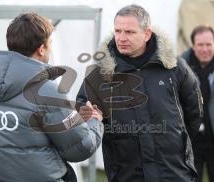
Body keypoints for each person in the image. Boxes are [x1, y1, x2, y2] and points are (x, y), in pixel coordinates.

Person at [76, 4, 203, 182]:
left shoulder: (174, 67)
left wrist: (175, 140)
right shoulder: (100, 74)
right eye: (118, 31)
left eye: (129, 32)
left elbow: (194, 112)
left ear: (147, 34)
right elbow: (84, 111)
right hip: (127, 174)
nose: (121, 38)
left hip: (174, 173)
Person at [0, 13, 103, 182]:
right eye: (50, 44)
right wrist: (95, 121)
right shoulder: (49, 92)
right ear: (41, 49)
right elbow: (79, 148)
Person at [181, 25, 214, 182]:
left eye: (209, 44)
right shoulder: (181, 68)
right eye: (200, 45)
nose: (205, 49)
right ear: (193, 46)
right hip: (191, 139)